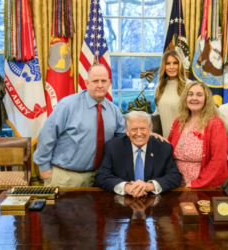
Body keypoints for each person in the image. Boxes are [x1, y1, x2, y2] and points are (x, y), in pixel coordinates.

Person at [34, 64, 165, 187]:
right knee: (59, 212)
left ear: (109, 83)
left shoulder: (113, 111)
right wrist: (44, 167)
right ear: (87, 83)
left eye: (103, 81)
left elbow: (125, 135)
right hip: (64, 176)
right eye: (95, 81)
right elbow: (47, 135)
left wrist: (147, 134)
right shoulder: (68, 105)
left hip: (95, 178)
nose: (100, 85)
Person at [95, 111, 181, 197]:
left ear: (150, 129)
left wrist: (149, 186)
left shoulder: (163, 148)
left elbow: (174, 177)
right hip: (122, 200)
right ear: (127, 131)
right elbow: (101, 176)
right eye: (134, 129)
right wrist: (127, 187)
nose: (139, 134)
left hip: (154, 201)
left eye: (143, 128)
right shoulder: (113, 147)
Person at [168, 81, 228, 188]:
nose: (194, 98)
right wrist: (157, 139)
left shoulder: (215, 123)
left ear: (206, 100)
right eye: (190, 94)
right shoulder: (179, 121)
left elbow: (218, 161)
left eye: (199, 95)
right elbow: (167, 150)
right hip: (176, 183)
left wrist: (196, 183)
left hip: (201, 185)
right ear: (185, 98)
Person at [154, 50, 189, 138]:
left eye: (175, 63)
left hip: (184, 139)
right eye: (168, 63)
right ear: (163, 66)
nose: (171, 67)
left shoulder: (189, 86)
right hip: (164, 141)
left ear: (180, 65)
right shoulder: (159, 87)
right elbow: (158, 113)